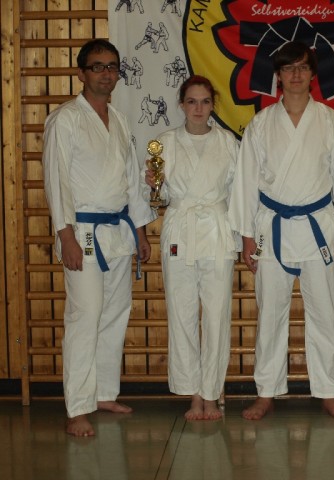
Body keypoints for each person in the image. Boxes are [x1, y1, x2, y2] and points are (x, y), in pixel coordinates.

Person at [228, 41, 334, 420]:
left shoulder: (332, 123)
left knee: (324, 314)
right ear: (278, 77)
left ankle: (328, 391)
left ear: (313, 75)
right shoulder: (260, 124)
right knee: (270, 315)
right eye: (288, 68)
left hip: (320, 227)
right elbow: (246, 182)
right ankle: (266, 392)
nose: (296, 74)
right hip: (272, 229)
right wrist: (246, 236)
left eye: (302, 67)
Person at [42, 39, 155, 437]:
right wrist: (66, 236)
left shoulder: (120, 120)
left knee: (114, 314)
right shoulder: (65, 119)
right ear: (81, 73)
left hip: (118, 233)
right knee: (85, 315)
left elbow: (131, 182)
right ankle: (77, 407)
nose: (106, 73)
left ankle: (104, 393)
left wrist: (140, 231)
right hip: (83, 232)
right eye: (97, 66)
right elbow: (55, 180)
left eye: (112, 66)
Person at [143, 75, 239, 421]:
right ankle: (193, 394)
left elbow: (239, 193)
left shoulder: (228, 142)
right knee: (181, 313)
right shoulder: (165, 143)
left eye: (205, 102)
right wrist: (153, 185)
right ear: (181, 104)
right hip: (180, 229)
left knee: (216, 316)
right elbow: (159, 196)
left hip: (217, 229)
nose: (198, 108)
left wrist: (246, 237)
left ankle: (211, 394)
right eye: (192, 101)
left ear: (213, 105)